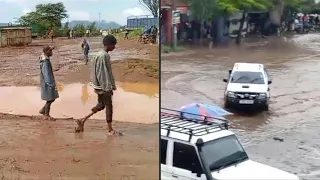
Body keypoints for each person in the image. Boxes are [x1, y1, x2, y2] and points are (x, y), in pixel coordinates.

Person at [76, 35, 121, 135]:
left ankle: (83, 119)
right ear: (109, 45)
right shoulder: (104, 55)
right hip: (103, 86)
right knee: (109, 106)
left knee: (101, 105)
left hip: (98, 86)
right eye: (114, 45)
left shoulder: (98, 54)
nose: (114, 47)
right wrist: (108, 87)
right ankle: (110, 129)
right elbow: (103, 73)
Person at [39, 46, 59, 120]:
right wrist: (50, 84)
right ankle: (46, 114)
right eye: (50, 51)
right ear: (47, 52)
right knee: (50, 98)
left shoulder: (44, 57)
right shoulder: (45, 62)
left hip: (47, 81)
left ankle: (43, 110)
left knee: (51, 98)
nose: (52, 52)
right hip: (47, 82)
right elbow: (46, 74)